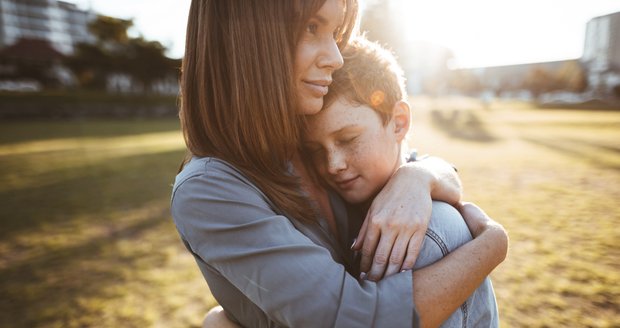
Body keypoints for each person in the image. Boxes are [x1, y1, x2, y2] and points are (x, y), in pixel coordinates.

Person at [171, 0, 508, 327]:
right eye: (312, 27)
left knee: (440, 223)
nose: (334, 57)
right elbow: (354, 317)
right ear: (247, 38)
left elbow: (415, 158)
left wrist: (417, 176)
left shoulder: (303, 136)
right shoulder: (209, 189)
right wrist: (492, 245)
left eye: (335, 32)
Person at [302, 36, 499, 326]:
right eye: (315, 151)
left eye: (348, 139)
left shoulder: (421, 232)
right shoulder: (336, 204)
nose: (333, 165)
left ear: (399, 122)